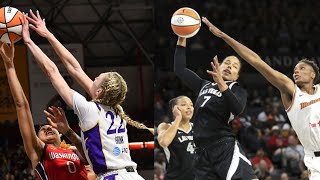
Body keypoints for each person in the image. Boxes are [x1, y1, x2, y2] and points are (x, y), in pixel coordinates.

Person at [22, 11, 152, 179]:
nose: (94, 78)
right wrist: (47, 34)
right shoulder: (115, 107)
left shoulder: (89, 109)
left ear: (99, 91)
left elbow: (52, 72)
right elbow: (75, 68)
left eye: (98, 78)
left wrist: (29, 41)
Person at [202, 16, 320, 180]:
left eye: (301, 68)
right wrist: (222, 35)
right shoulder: (290, 90)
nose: (296, 71)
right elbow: (256, 61)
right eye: (295, 69)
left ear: (313, 74)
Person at [0, 42, 88, 179]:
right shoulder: (39, 150)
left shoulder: (75, 151)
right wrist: (9, 64)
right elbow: (21, 105)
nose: (47, 127)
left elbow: (90, 157)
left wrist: (68, 131)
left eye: (50, 127)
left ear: (60, 135)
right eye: (42, 129)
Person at [174, 38, 256, 179]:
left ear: (236, 76)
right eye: (227, 63)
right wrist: (182, 38)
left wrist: (220, 83)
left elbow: (237, 109)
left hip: (223, 146)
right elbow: (179, 69)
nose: (230, 66)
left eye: (235, 66)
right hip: (200, 151)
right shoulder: (203, 85)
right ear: (219, 66)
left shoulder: (236, 90)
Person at [157, 96, 195, 180]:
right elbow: (164, 142)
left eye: (191, 105)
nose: (189, 107)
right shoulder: (165, 126)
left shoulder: (199, 128)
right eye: (184, 104)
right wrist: (178, 118)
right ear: (174, 109)